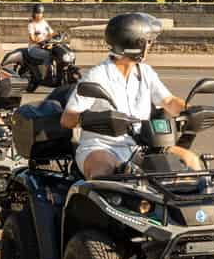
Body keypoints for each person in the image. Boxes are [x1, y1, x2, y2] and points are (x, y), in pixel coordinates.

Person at [60, 12, 202, 179]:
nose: (151, 46)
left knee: (190, 160)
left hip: (141, 147)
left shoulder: (145, 72)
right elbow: (67, 119)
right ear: (135, 45)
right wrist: (96, 120)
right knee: (103, 171)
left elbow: (169, 101)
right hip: (102, 147)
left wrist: (190, 111)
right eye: (148, 42)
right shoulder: (97, 76)